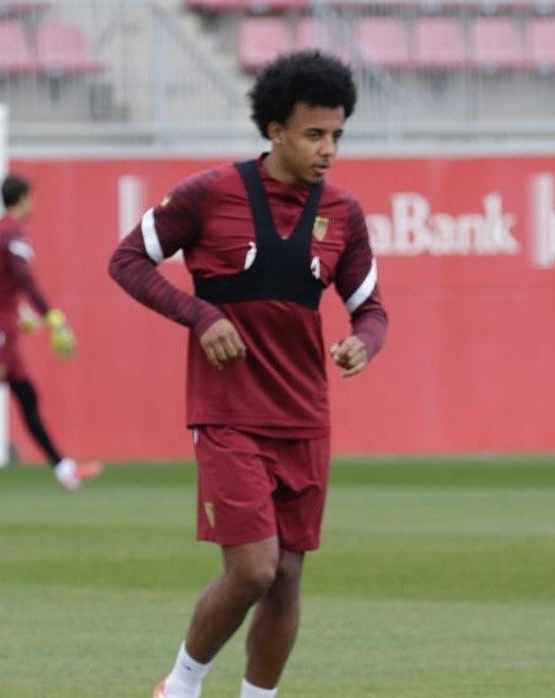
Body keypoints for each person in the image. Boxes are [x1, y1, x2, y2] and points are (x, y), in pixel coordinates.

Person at [110, 50, 388, 698]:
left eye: (338, 135)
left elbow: (370, 308)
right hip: (229, 414)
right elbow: (127, 260)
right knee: (255, 570)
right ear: (275, 131)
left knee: (288, 576)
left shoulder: (342, 213)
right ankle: (180, 686)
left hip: (305, 418)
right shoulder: (211, 194)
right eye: (315, 134)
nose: (328, 149)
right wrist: (199, 314)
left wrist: (363, 344)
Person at [0, 174, 101, 497]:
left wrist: (14, 312)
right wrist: (51, 317)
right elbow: (24, 278)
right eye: (32, 198)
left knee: (27, 397)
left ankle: (65, 470)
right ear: (24, 199)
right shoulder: (12, 234)